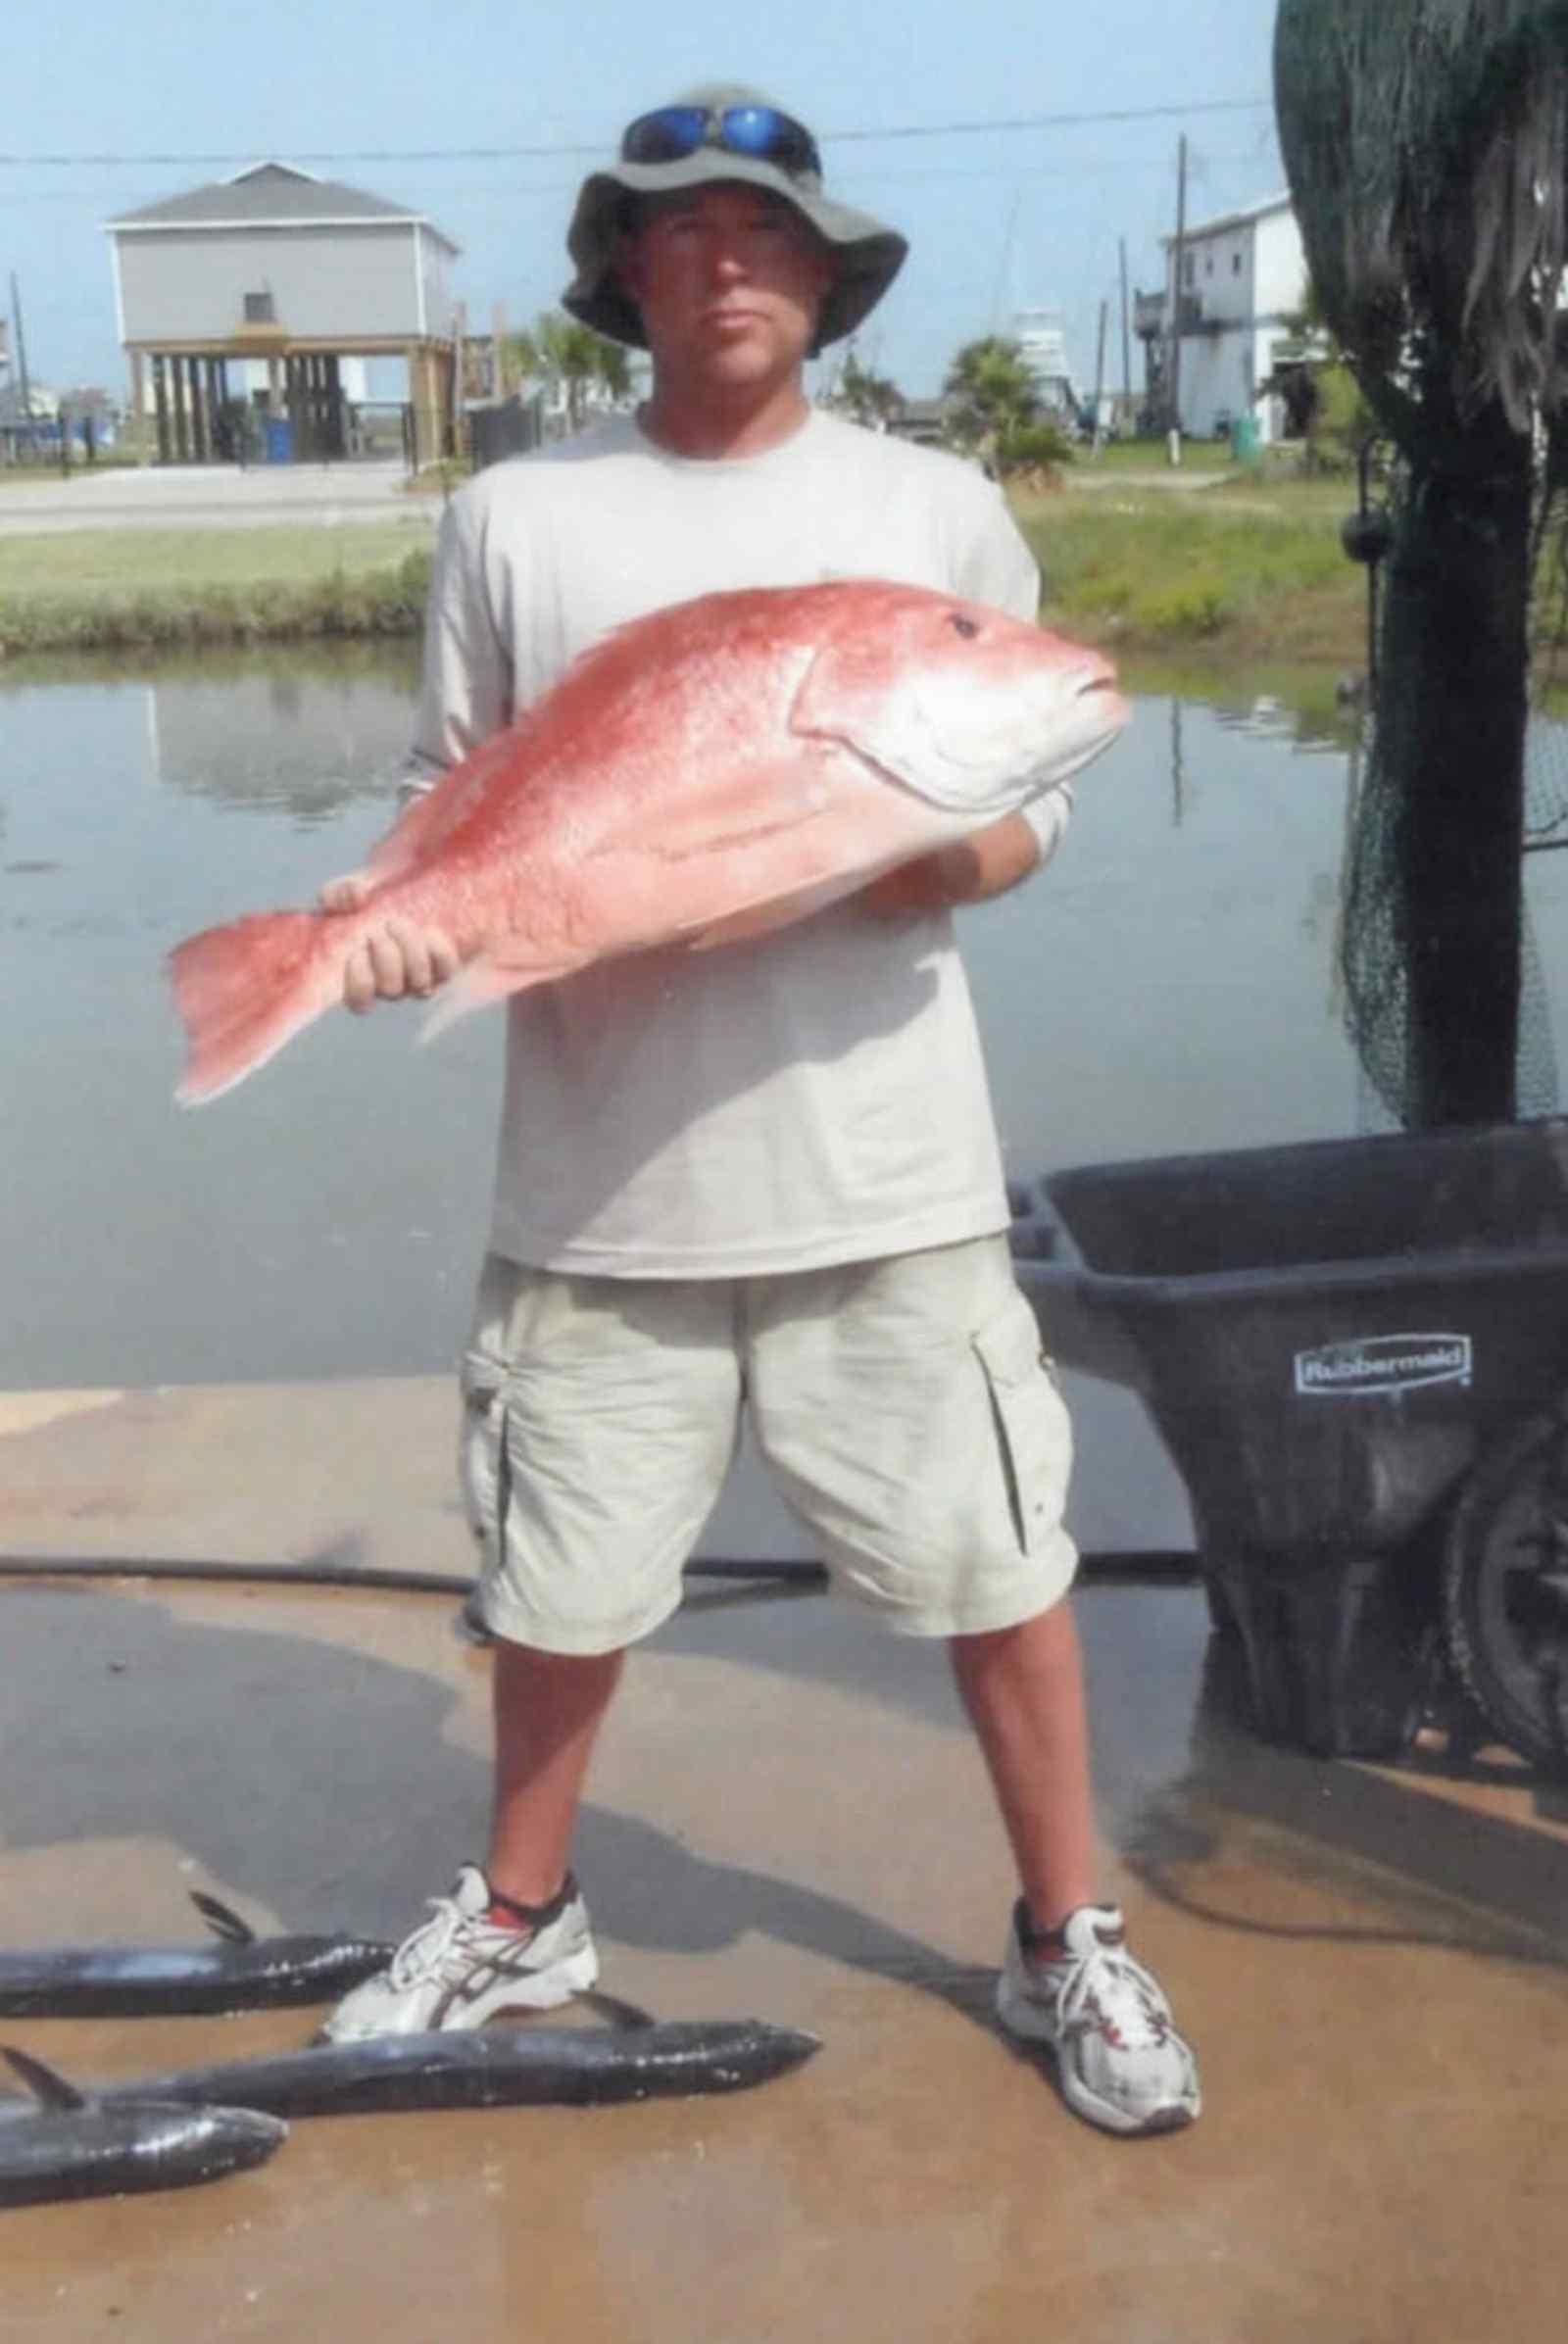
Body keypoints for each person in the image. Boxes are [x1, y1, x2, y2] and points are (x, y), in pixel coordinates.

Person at [318, 84, 1200, 2139]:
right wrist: (392, 919)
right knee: (555, 1592)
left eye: (765, 226)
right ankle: (522, 1911)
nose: (726, 258)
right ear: (623, 270)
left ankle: (1062, 1927)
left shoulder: (931, 508)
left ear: (823, 271)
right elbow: (456, 794)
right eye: (680, 227)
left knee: (1001, 1562)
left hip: (884, 1169)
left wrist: (954, 859)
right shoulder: (514, 519)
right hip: (596, 1183)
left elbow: (1041, 770)